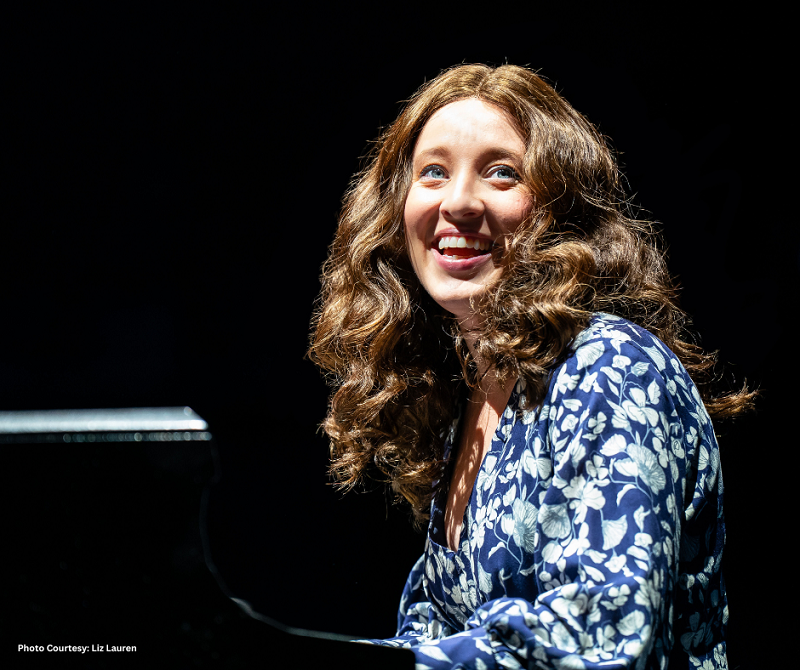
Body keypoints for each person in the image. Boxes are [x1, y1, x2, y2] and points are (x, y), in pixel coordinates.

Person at [308, 64, 754, 669]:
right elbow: (430, 634)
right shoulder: (472, 395)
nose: (459, 202)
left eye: (501, 173)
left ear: (562, 208)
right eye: (433, 172)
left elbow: (600, 635)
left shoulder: (610, 367)